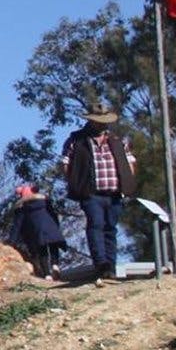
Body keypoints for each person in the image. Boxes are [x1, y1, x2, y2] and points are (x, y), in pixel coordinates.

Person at [60, 106, 137, 280]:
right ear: (91, 120)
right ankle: (101, 264)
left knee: (111, 228)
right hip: (91, 193)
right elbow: (66, 163)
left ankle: (111, 265)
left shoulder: (118, 140)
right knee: (95, 225)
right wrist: (75, 183)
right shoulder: (76, 140)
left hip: (115, 193)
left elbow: (130, 161)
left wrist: (128, 181)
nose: (103, 125)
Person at [9, 184, 69, 281]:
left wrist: (11, 242)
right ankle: (55, 264)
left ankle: (47, 274)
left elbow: (17, 225)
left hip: (36, 231)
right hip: (50, 226)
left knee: (42, 251)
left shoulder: (21, 207)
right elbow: (53, 214)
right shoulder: (44, 201)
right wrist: (56, 226)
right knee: (54, 246)